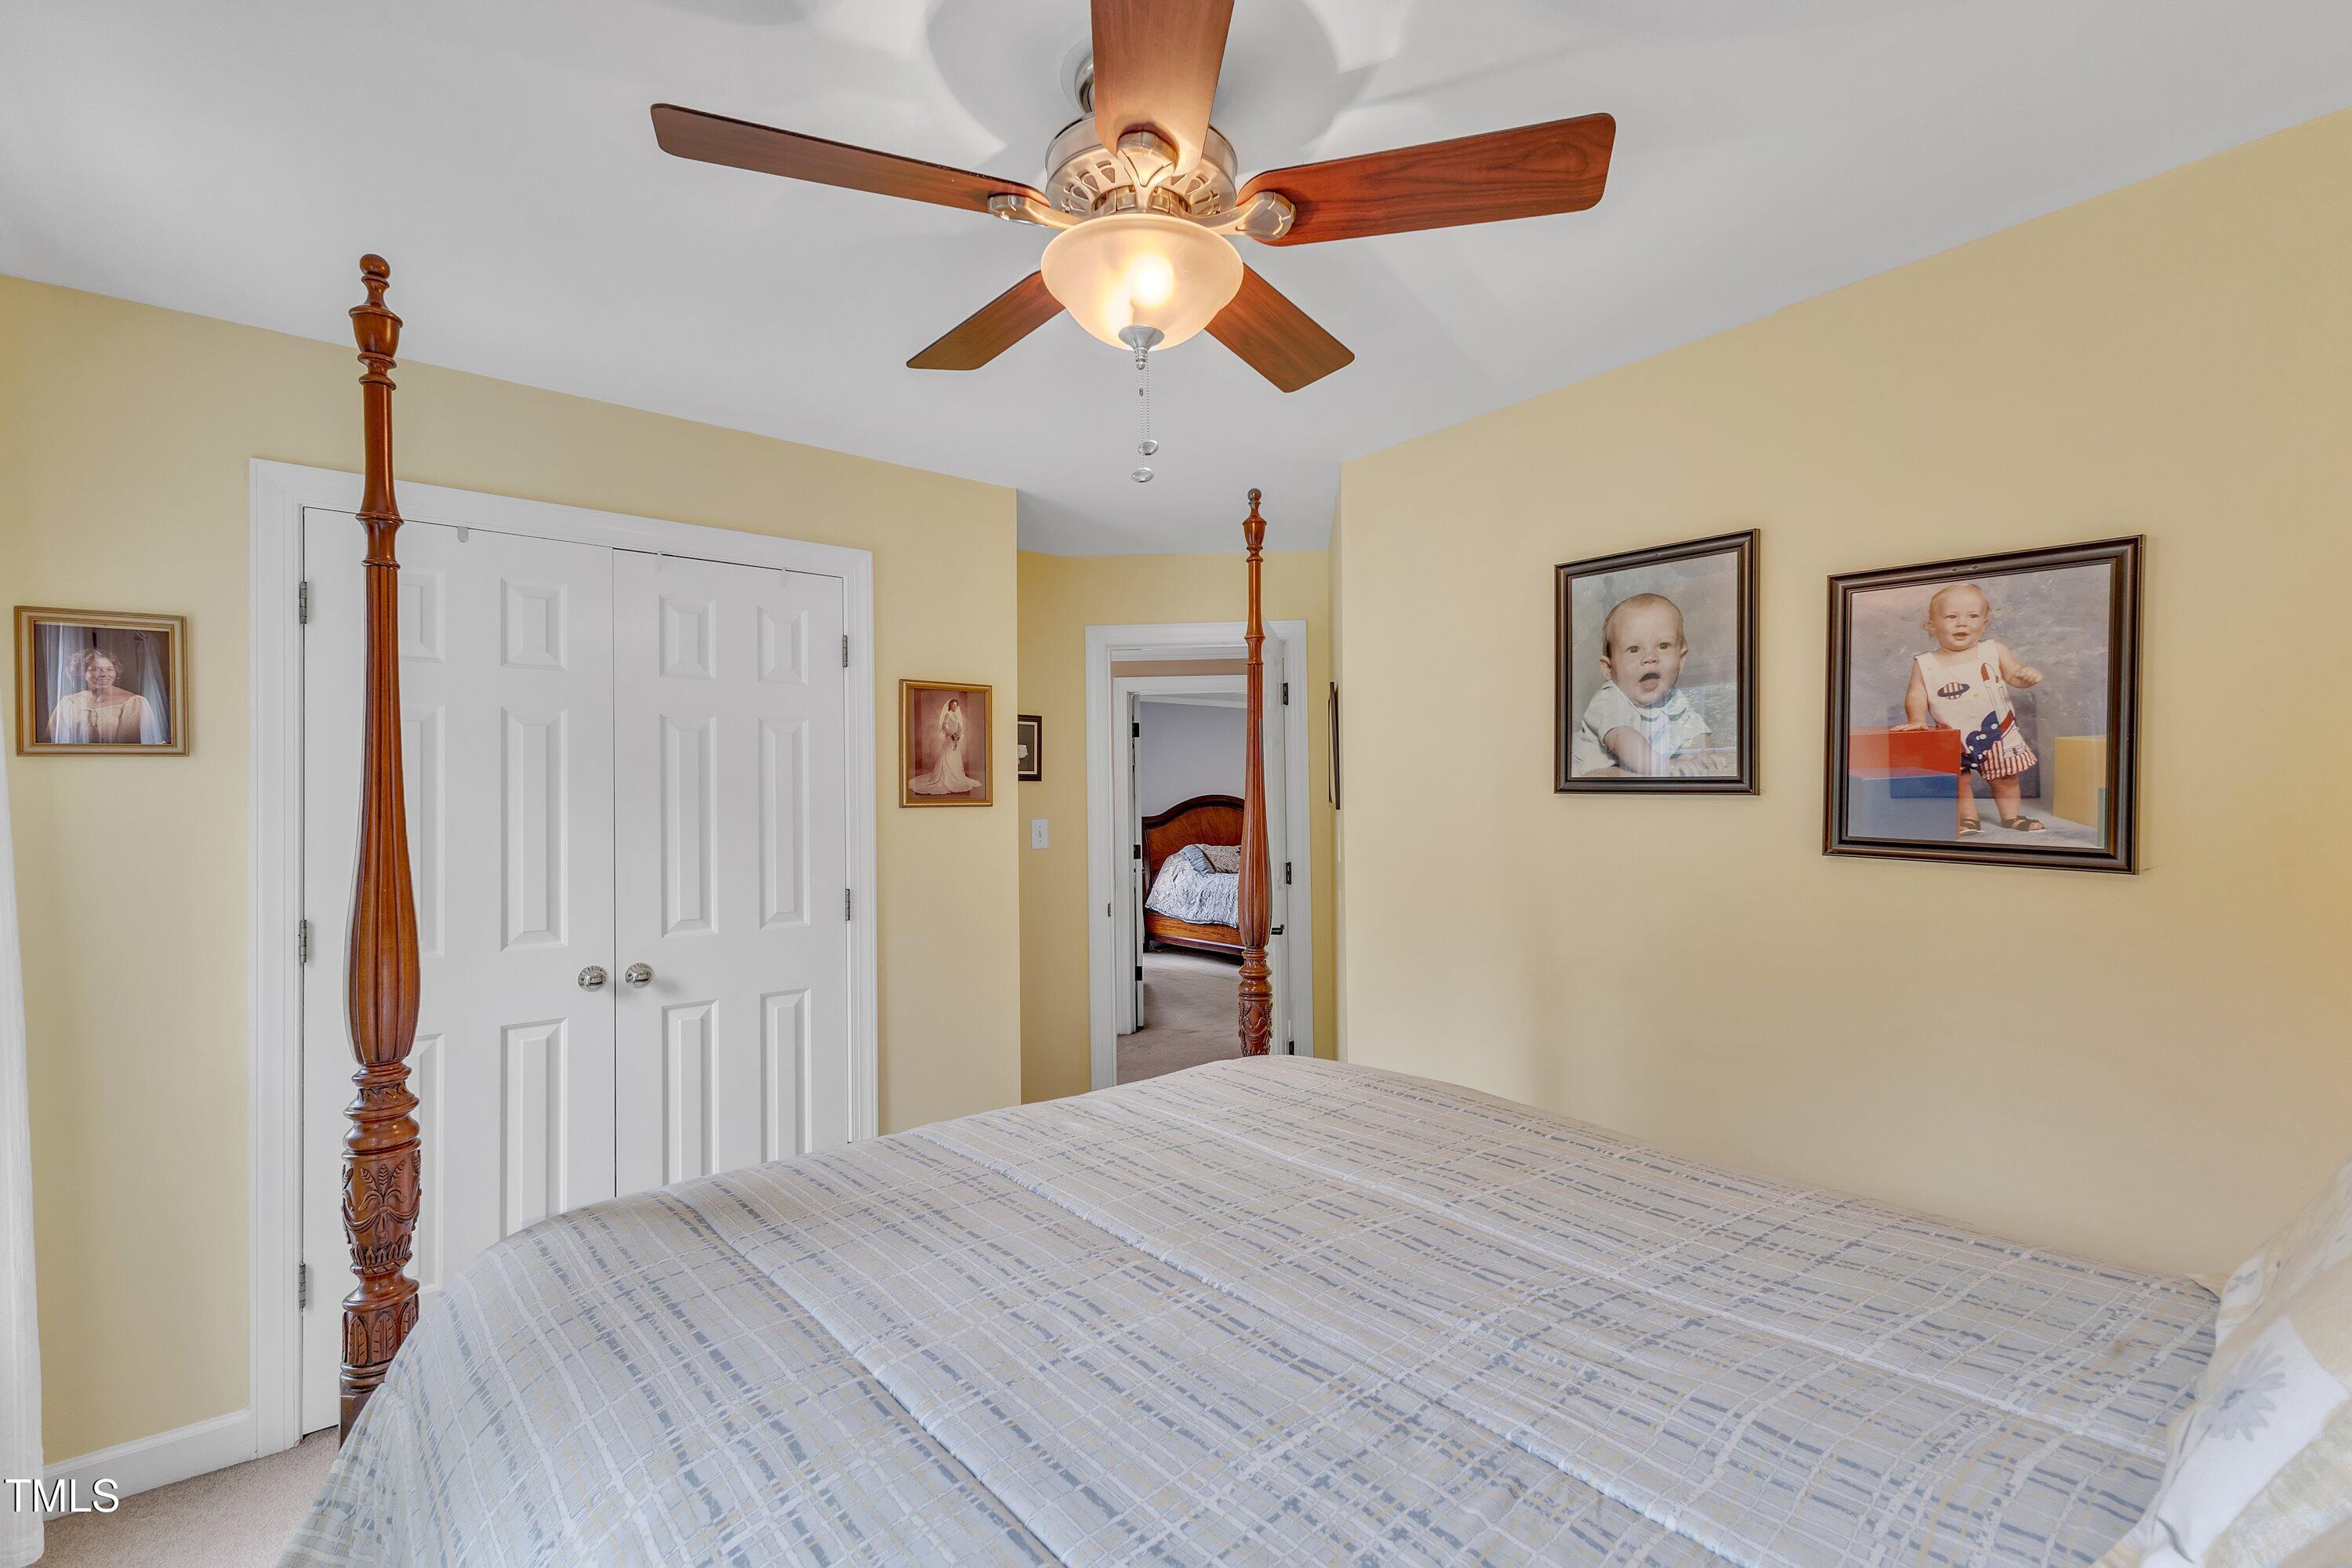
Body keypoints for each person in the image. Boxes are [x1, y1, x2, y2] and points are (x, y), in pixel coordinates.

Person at [1896, 581, 2044, 836]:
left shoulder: (1993, 650)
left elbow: (2013, 675)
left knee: (2006, 777)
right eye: (1952, 616)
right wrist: (1917, 718)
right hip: (1950, 736)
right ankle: (1967, 819)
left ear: (1984, 624)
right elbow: (1916, 693)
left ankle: (2012, 817)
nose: (1962, 623)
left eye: (1972, 616)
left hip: (1998, 733)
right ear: (1932, 626)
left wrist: (2025, 676)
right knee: (1958, 781)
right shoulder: (1926, 663)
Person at [1571, 593, 1729, 777]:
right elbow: (1627, 743)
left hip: (1635, 776)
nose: (1650, 658)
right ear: (1608, 668)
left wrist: (1701, 753)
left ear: (1681, 660)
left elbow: (1696, 733)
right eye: (1634, 649)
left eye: (1663, 646)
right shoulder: (1608, 700)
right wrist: (1665, 767)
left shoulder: (1675, 700)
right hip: (1588, 780)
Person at [44, 647, 156, 746]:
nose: (103, 674)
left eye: (110, 669)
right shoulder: (68, 702)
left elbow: (134, 746)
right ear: (82, 672)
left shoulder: (134, 702)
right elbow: (53, 741)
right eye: (95, 669)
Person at [909, 696, 977, 795]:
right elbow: (944, 727)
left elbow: (960, 727)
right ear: (950, 706)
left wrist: (958, 734)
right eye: (953, 705)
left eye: (956, 705)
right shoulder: (948, 715)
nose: (955, 707)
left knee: (955, 757)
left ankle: (955, 776)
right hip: (949, 739)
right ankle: (946, 777)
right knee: (947, 757)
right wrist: (952, 734)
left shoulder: (957, 715)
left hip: (955, 740)